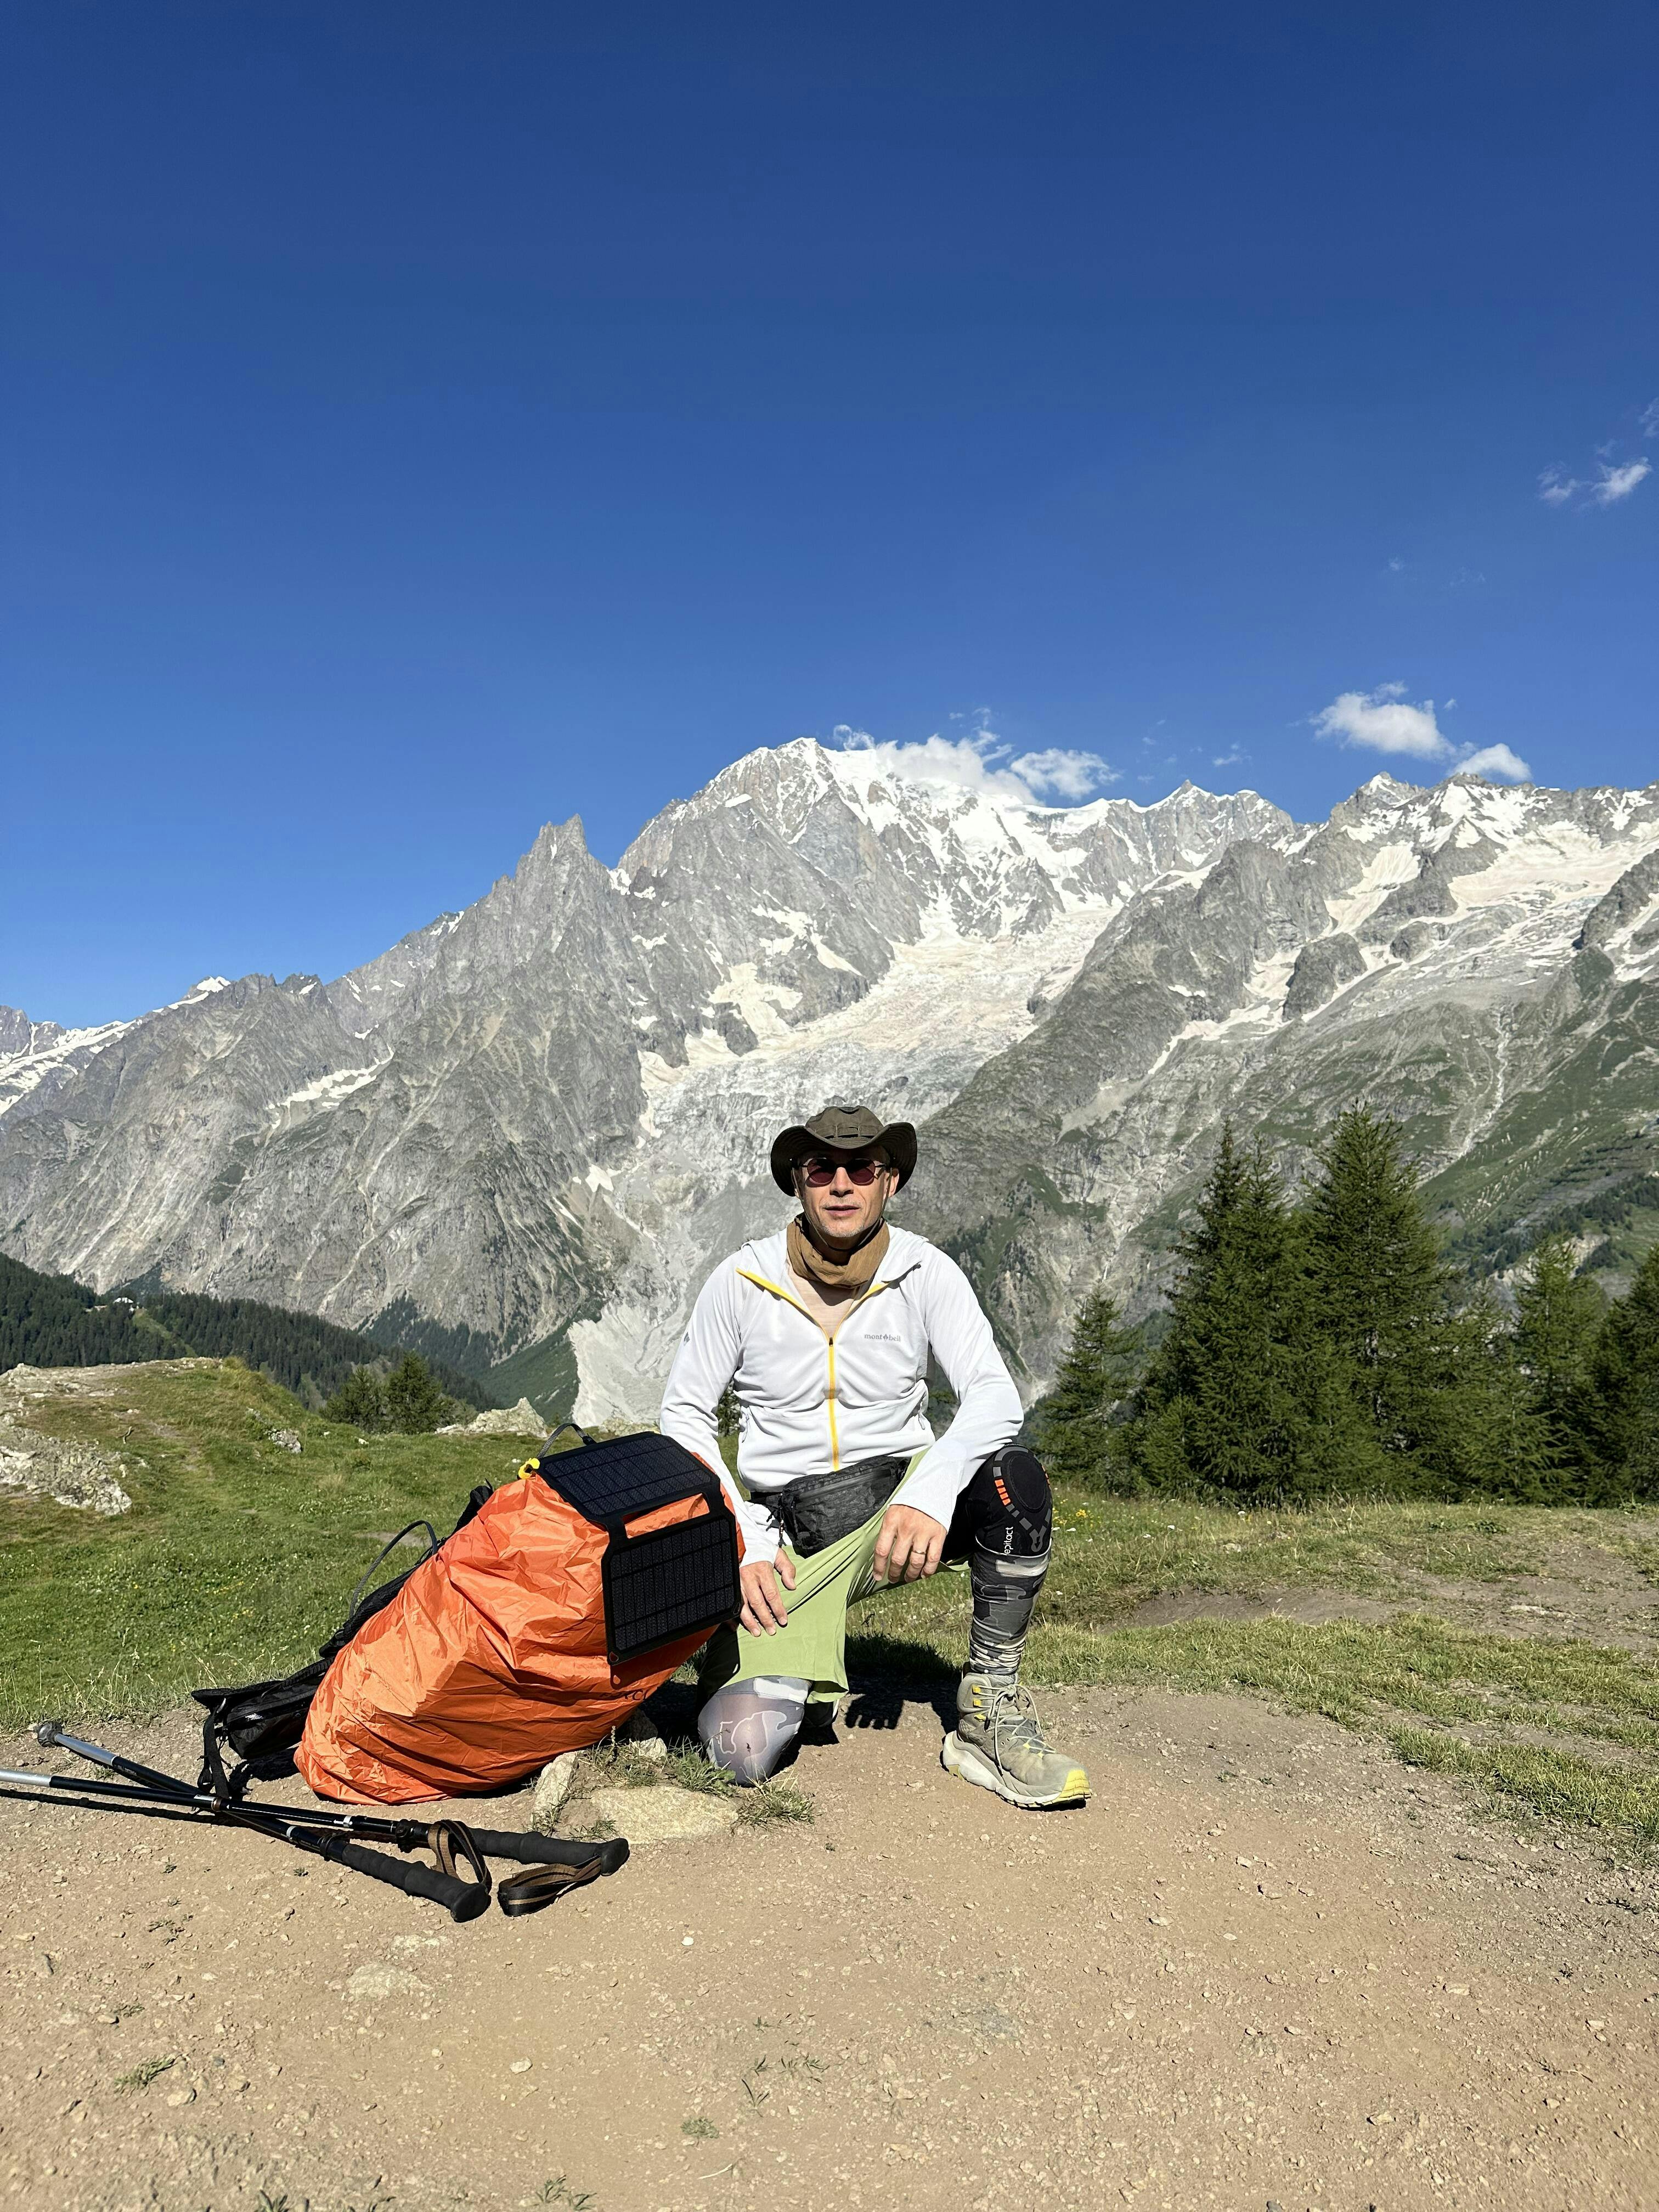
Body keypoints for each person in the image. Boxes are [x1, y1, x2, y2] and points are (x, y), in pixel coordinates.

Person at [659, 1102, 1090, 1809]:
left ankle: (989, 1709)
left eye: (862, 1168)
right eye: (820, 1168)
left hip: (900, 1502)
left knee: (1012, 1481)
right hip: (787, 1536)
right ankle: (793, 1674)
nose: (841, 1183)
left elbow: (994, 1396)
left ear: (890, 1181)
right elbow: (683, 1416)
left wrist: (931, 1490)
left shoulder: (926, 1270)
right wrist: (742, 1539)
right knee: (739, 1751)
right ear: (797, 1181)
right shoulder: (740, 1280)